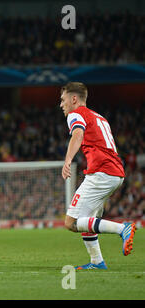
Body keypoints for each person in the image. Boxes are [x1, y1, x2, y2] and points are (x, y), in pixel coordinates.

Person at [59, 82, 136, 270]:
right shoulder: (99, 117)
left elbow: (77, 134)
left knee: (71, 222)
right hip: (115, 172)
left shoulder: (75, 114)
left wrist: (68, 159)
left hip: (101, 172)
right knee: (87, 220)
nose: (61, 105)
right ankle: (97, 262)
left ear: (74, 99)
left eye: (63, 100)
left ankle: (122, 228)